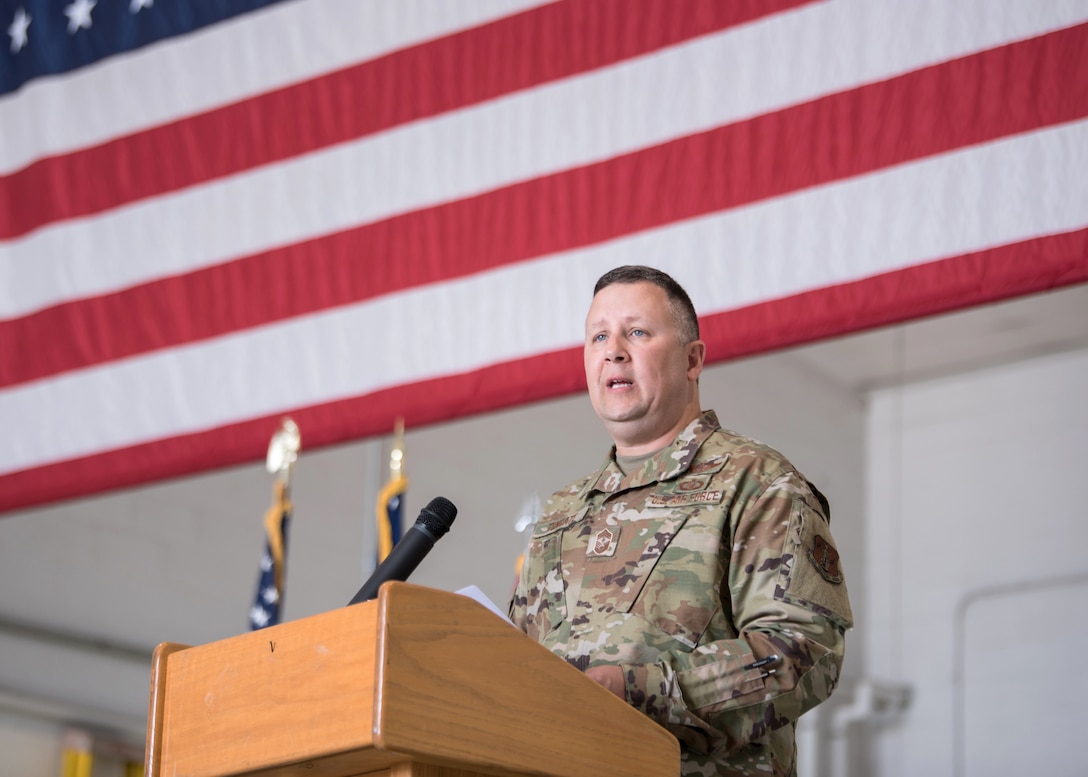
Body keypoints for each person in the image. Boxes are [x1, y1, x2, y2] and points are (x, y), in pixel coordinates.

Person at [508, 265, 853, 776]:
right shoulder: (561, 514)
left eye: (638, 332)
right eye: (598, 336)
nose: (614, 350)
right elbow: (513, 676)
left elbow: (803, 654)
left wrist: (640, 691)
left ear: (693, 359)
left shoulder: (758, 482)